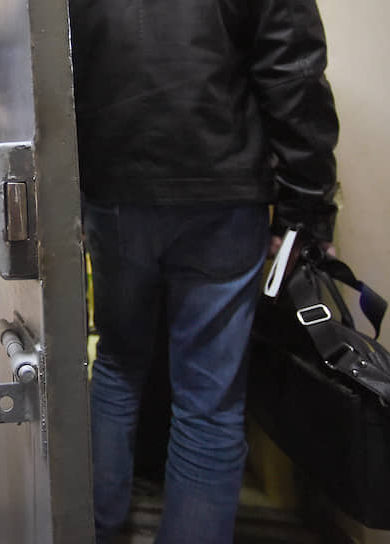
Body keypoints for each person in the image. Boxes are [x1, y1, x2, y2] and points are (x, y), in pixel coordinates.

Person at [68, 0, 339, 542]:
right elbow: (293, 75)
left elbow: (59, 64)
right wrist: (305, 208)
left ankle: (93, 527)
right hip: (222, 191)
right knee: (208, 403)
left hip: (115, 186)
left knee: (117, 363)